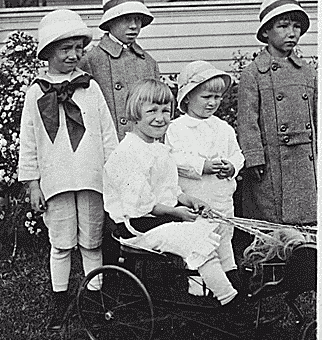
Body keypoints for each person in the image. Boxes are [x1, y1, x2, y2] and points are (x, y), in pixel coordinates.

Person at [103, 78, 242, 311]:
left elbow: (171, 190)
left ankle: (232, 282)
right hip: (137, 225)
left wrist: (190, 200)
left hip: (158, 219)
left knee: (213, 226)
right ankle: (229, 300)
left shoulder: (157, 148)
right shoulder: (128, 153)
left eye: (166, 111)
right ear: (135, 114)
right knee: (196, 237)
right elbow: (142, 205)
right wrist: (177, 212)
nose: (160, 118)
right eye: (152, 111)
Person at [18, 9, 118, 331]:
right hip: (56, 179)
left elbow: (106, 132)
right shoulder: (36, 93)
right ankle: (60, 303)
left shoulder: (90, 89)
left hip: (91, 177)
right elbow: (30, 141)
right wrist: (33, 184)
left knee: (92, 241)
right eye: (65, 49)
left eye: (78, 48)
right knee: (61, 243)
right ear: (47, 53)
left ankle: (94, 299)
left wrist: (113, 171)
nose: (74, 55)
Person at [237, 0, 317, 226]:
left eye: (296, 27)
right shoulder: (254, 73)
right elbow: (247, 121)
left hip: (305, 160)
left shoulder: (308, 72)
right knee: (271, 220)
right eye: (282, 26)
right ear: (265, 32)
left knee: (306, 220)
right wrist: (253, 158)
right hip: (271, 165)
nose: (291, 33)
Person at [165, 61, 245, 293]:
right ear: (188, 97)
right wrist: (203, 166)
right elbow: (174, 159)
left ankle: (230, 282)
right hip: (196, 196)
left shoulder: (223, 128)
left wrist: (231, 167)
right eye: (207, 97)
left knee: (224, 238)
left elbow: (237, 155)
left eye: (218, 97)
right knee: (200, 242)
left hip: (221, 196)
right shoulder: (177, 129)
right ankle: (198, 289)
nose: (213, 103)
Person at [79, 0, 160, 141]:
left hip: (143, 145)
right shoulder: (91, 60)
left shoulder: (149, 63)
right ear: (110, 22)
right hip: (105, 143)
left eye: (137, 19)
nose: (133, 26)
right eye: (126, 19)